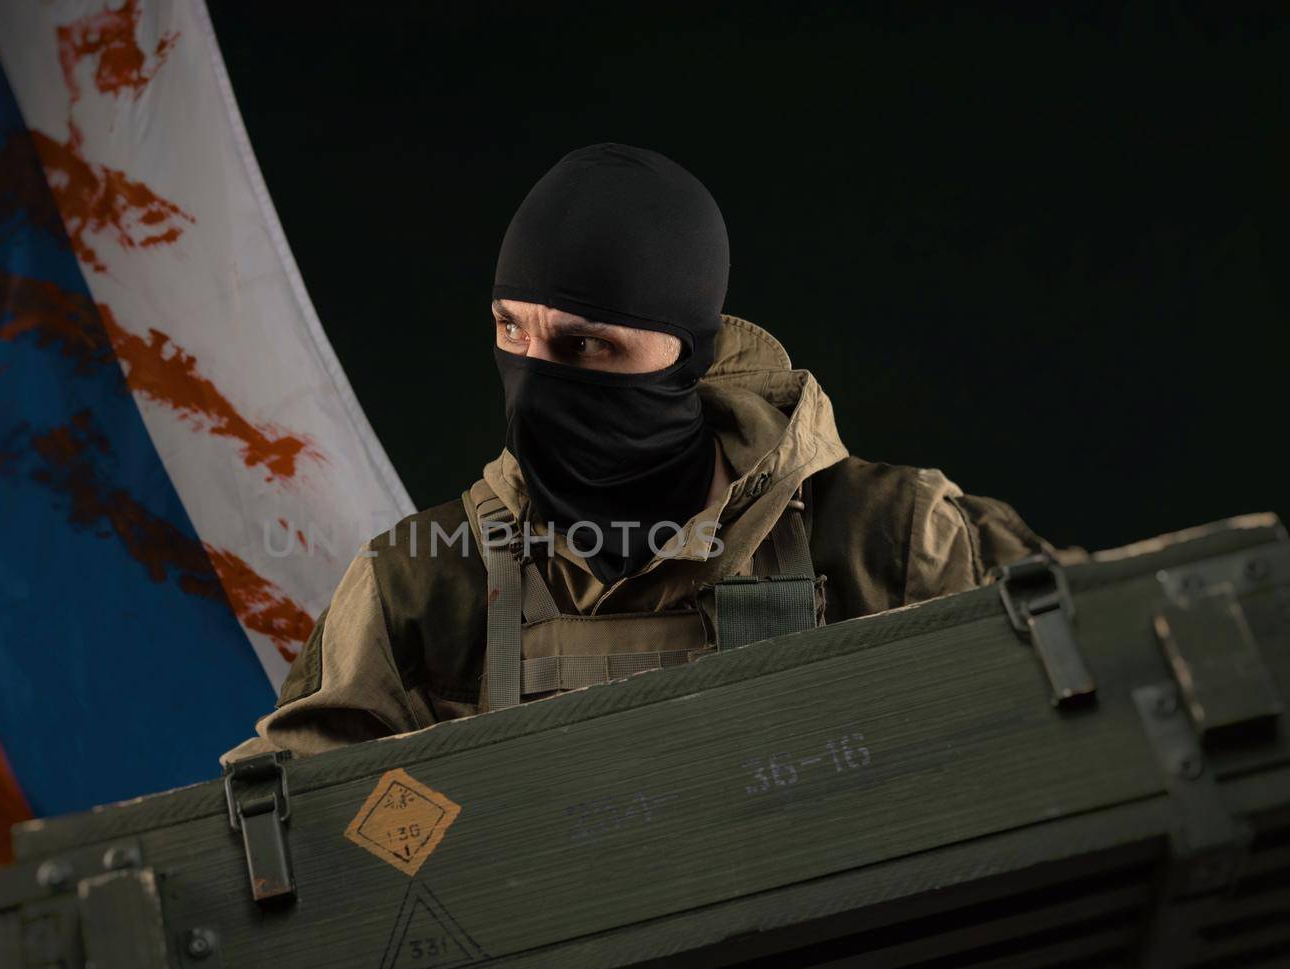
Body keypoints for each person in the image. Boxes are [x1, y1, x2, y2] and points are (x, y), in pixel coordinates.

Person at [223, 143, 1047, 761]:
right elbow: (304, 850)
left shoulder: (894, 540)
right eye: (513, 330)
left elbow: (1086, 695)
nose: (535, 379)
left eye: (586, 345)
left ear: (688, 355)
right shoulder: (419, 586)